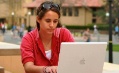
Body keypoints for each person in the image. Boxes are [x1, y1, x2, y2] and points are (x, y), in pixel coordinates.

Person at [20, 1, 74, 73]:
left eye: (55, 21)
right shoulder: (28, 39)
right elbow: (28, 67)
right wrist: (46, 69)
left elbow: (74, 60)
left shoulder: (64, 34)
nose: (52, 25)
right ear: (38, 19)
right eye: (48, 21)